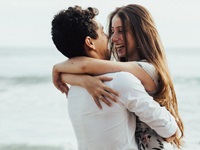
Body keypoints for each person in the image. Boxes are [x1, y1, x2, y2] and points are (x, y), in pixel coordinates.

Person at [53, 4, 184, 149]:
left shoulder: (74, 91)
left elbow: (85, 65)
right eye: (108, 32)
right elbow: (171, 130)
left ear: (141, 32)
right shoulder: (120, 80)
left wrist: (62, 72)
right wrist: (76, 78)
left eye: (121, 31)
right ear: (90, 42)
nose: (112, 38)